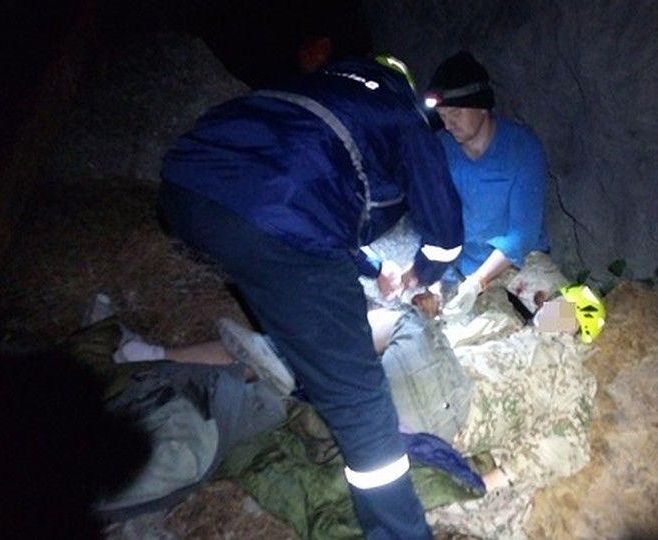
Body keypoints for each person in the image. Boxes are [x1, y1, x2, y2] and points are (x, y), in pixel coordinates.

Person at [158, 52, 463, 539]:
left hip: (186, 190)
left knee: (280, 286)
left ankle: (291, 360)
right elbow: (445, 234)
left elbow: (317, 187)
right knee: (360, 401)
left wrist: (374, 267)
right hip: (274, 219)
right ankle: (399, 531)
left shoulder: (315, 92)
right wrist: (420, 274)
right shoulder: (400, 115)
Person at [421, 51, 551, 318]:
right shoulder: (439, 150)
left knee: (569, 321)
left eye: (456, 112)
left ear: (482, 106)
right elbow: (437, 225)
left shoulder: (522, 147)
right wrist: (434, 283)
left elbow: (522, 234)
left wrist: (478, 281)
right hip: (463, 268)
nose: (448, 124)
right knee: (442, 326)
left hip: (522, 263)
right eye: (443, 115)